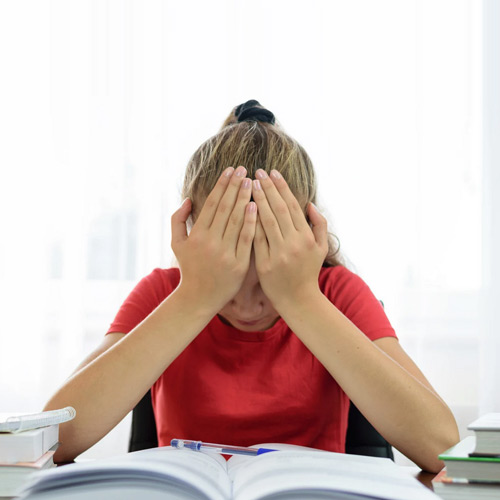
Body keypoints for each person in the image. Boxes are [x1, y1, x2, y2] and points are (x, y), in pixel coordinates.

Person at [44, 100, 459, 472]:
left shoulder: (336, 293)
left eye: (270, 263)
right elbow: (54, 442)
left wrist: (300, 298)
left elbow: (443, 447)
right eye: (229, 262)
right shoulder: (164, 293)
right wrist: (195, 298)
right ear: (192, 235)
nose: (246, 302)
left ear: (309, 237)